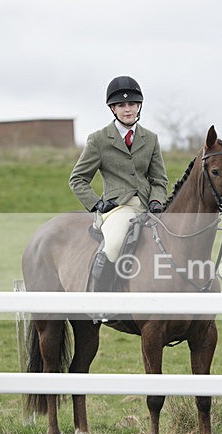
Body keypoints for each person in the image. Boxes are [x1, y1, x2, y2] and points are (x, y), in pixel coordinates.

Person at [69, 75, 169, 291]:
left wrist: (156, 201)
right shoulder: (99, 140)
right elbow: (77, 179)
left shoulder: (150, 139)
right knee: (113, 245)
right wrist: (97, 204)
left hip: (149, 207)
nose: (127, 109)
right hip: (118, 208)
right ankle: (102, 298)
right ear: (113, 109)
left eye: (132, 104)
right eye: (121, 105)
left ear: (139, 106)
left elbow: (159, 179)